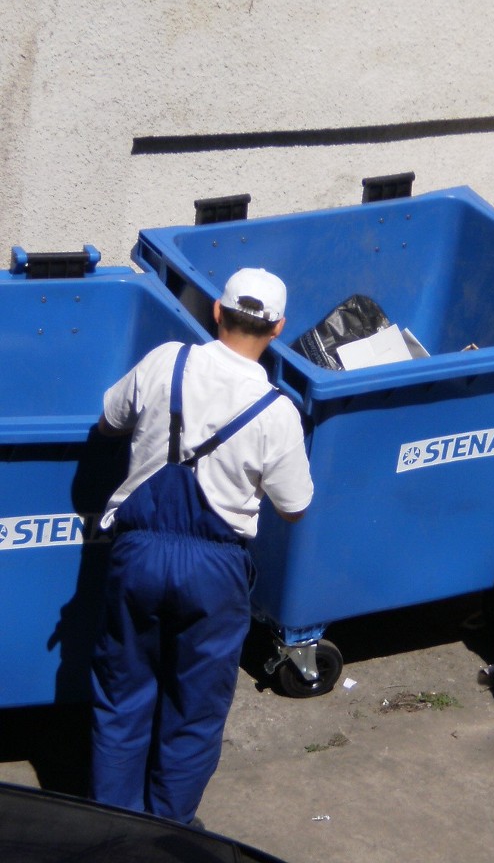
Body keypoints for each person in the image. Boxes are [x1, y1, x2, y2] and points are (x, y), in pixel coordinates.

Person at [90, 267, 314, 825]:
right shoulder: (277, 410)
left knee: (122, 695)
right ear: (279, 328)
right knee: (194, 710)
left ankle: (111, 831)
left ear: (217, 310)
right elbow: (295, 506)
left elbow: (109, 418)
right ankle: (167, 834)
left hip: (137, 552)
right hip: (215, 570)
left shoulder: (166, 360)